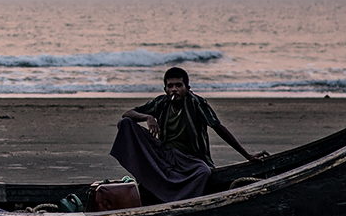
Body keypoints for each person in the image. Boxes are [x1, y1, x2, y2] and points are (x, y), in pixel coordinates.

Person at [112, 66, 264, 202]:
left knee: (204, 172)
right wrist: (147, 117)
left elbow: (218, 127)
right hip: (165, 154)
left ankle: (180, 200)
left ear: (187, 87)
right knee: (125, 124)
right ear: (165, 89)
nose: (174, 90)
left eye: (179, 85)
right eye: (170, 86)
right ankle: (153, 182)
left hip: (189, 159)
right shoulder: (161, 103)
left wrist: (247, 156)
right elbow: (127, 114)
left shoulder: (196, 103)